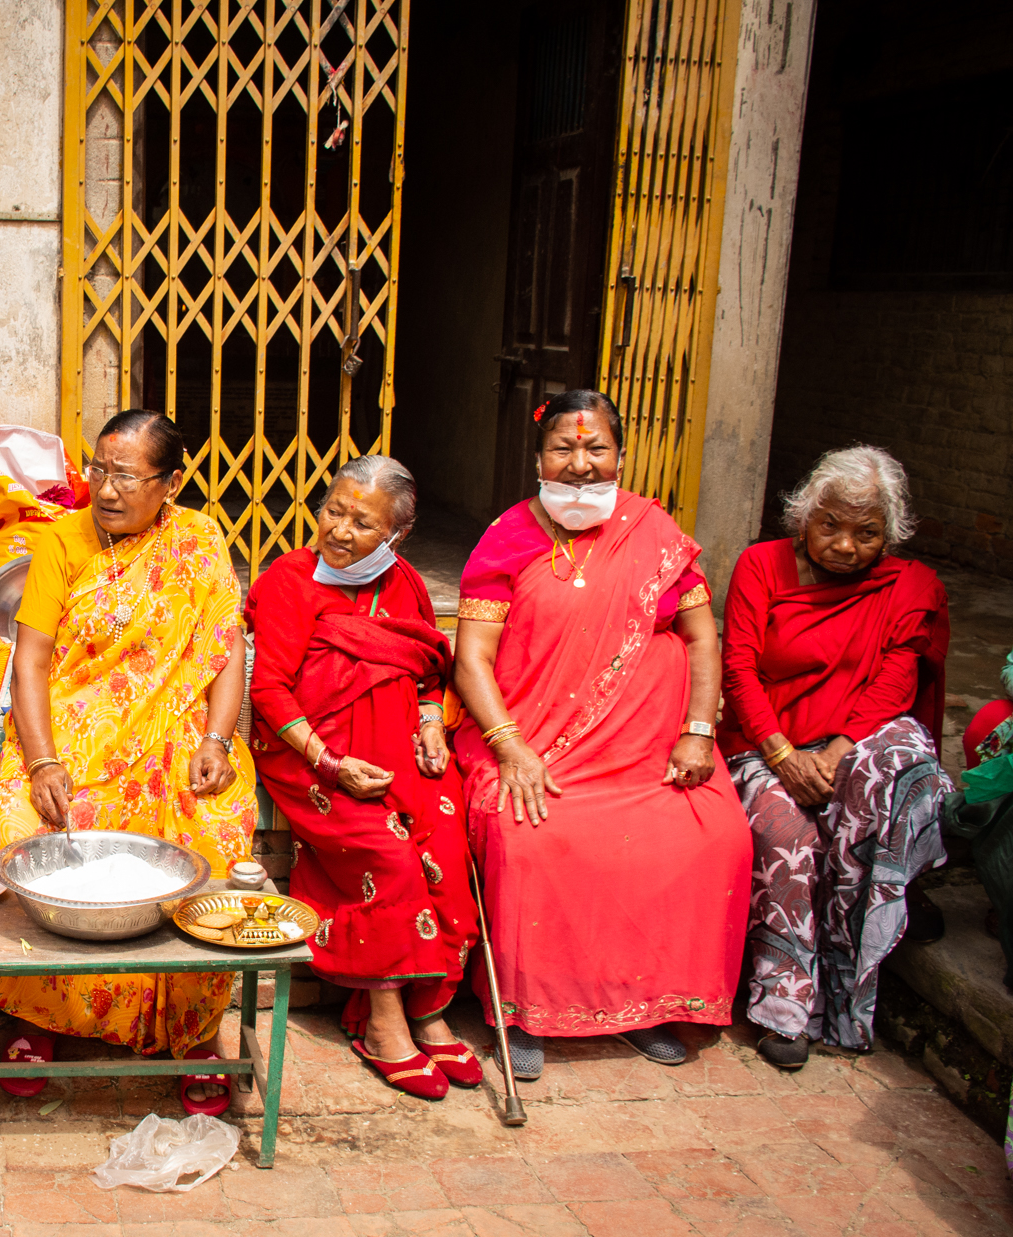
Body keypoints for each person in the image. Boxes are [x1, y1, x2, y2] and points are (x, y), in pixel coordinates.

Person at [452, 389, 750, 1079]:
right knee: (529, 835)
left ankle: (642, 1005)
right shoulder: (509, 537)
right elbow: (472, 659)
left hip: (647, 751)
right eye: (564, 447)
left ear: (620, 455)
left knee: (713, 833)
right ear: (538, 458)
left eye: (596, 448)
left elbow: (703, 639)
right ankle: (526, 1010)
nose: (580, 463)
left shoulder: (654, 530)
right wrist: (512, 747)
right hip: (533, 744)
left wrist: (698, 732)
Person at [0, 409, 256, 1113]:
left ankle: (196, 1029)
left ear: (170, 482)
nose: (105, 488)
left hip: (175, 735)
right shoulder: (60, 542)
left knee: (212, 832)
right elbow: (32, 661)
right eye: (98, 469)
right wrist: (41, 761)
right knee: (23, 816)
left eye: (126, 476)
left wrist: (217, 741)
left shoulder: (197, 540)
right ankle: (35, 1017)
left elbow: (227, 649)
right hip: (69, 735)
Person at [244, 455, 481, 1100]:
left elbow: (431, 670)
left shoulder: (406, 583)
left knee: (447, 846)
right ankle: (383, 1023)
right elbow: (268, 689)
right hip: (312, 755)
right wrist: (330, 764)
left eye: (362, 523)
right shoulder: (289, 580)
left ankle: (427, 1010)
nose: (340, 531)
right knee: (393, 859)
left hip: (400, 744)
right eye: (333, 512)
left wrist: (432, 726)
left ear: (396, 536)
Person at [720, 445, 952, 1070]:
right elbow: (739, 668)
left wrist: (840, 751)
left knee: (894, 779)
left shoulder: (909, 586)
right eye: (831, 526)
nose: (846, 546)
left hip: (851, 740)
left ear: (889, 535)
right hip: (764, 742)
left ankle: (851, 988)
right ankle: (784, 1006)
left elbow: (896, 681)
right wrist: (783, 755)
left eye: (866, 533)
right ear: (805, 515)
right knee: (786, 836)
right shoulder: (761, 566)